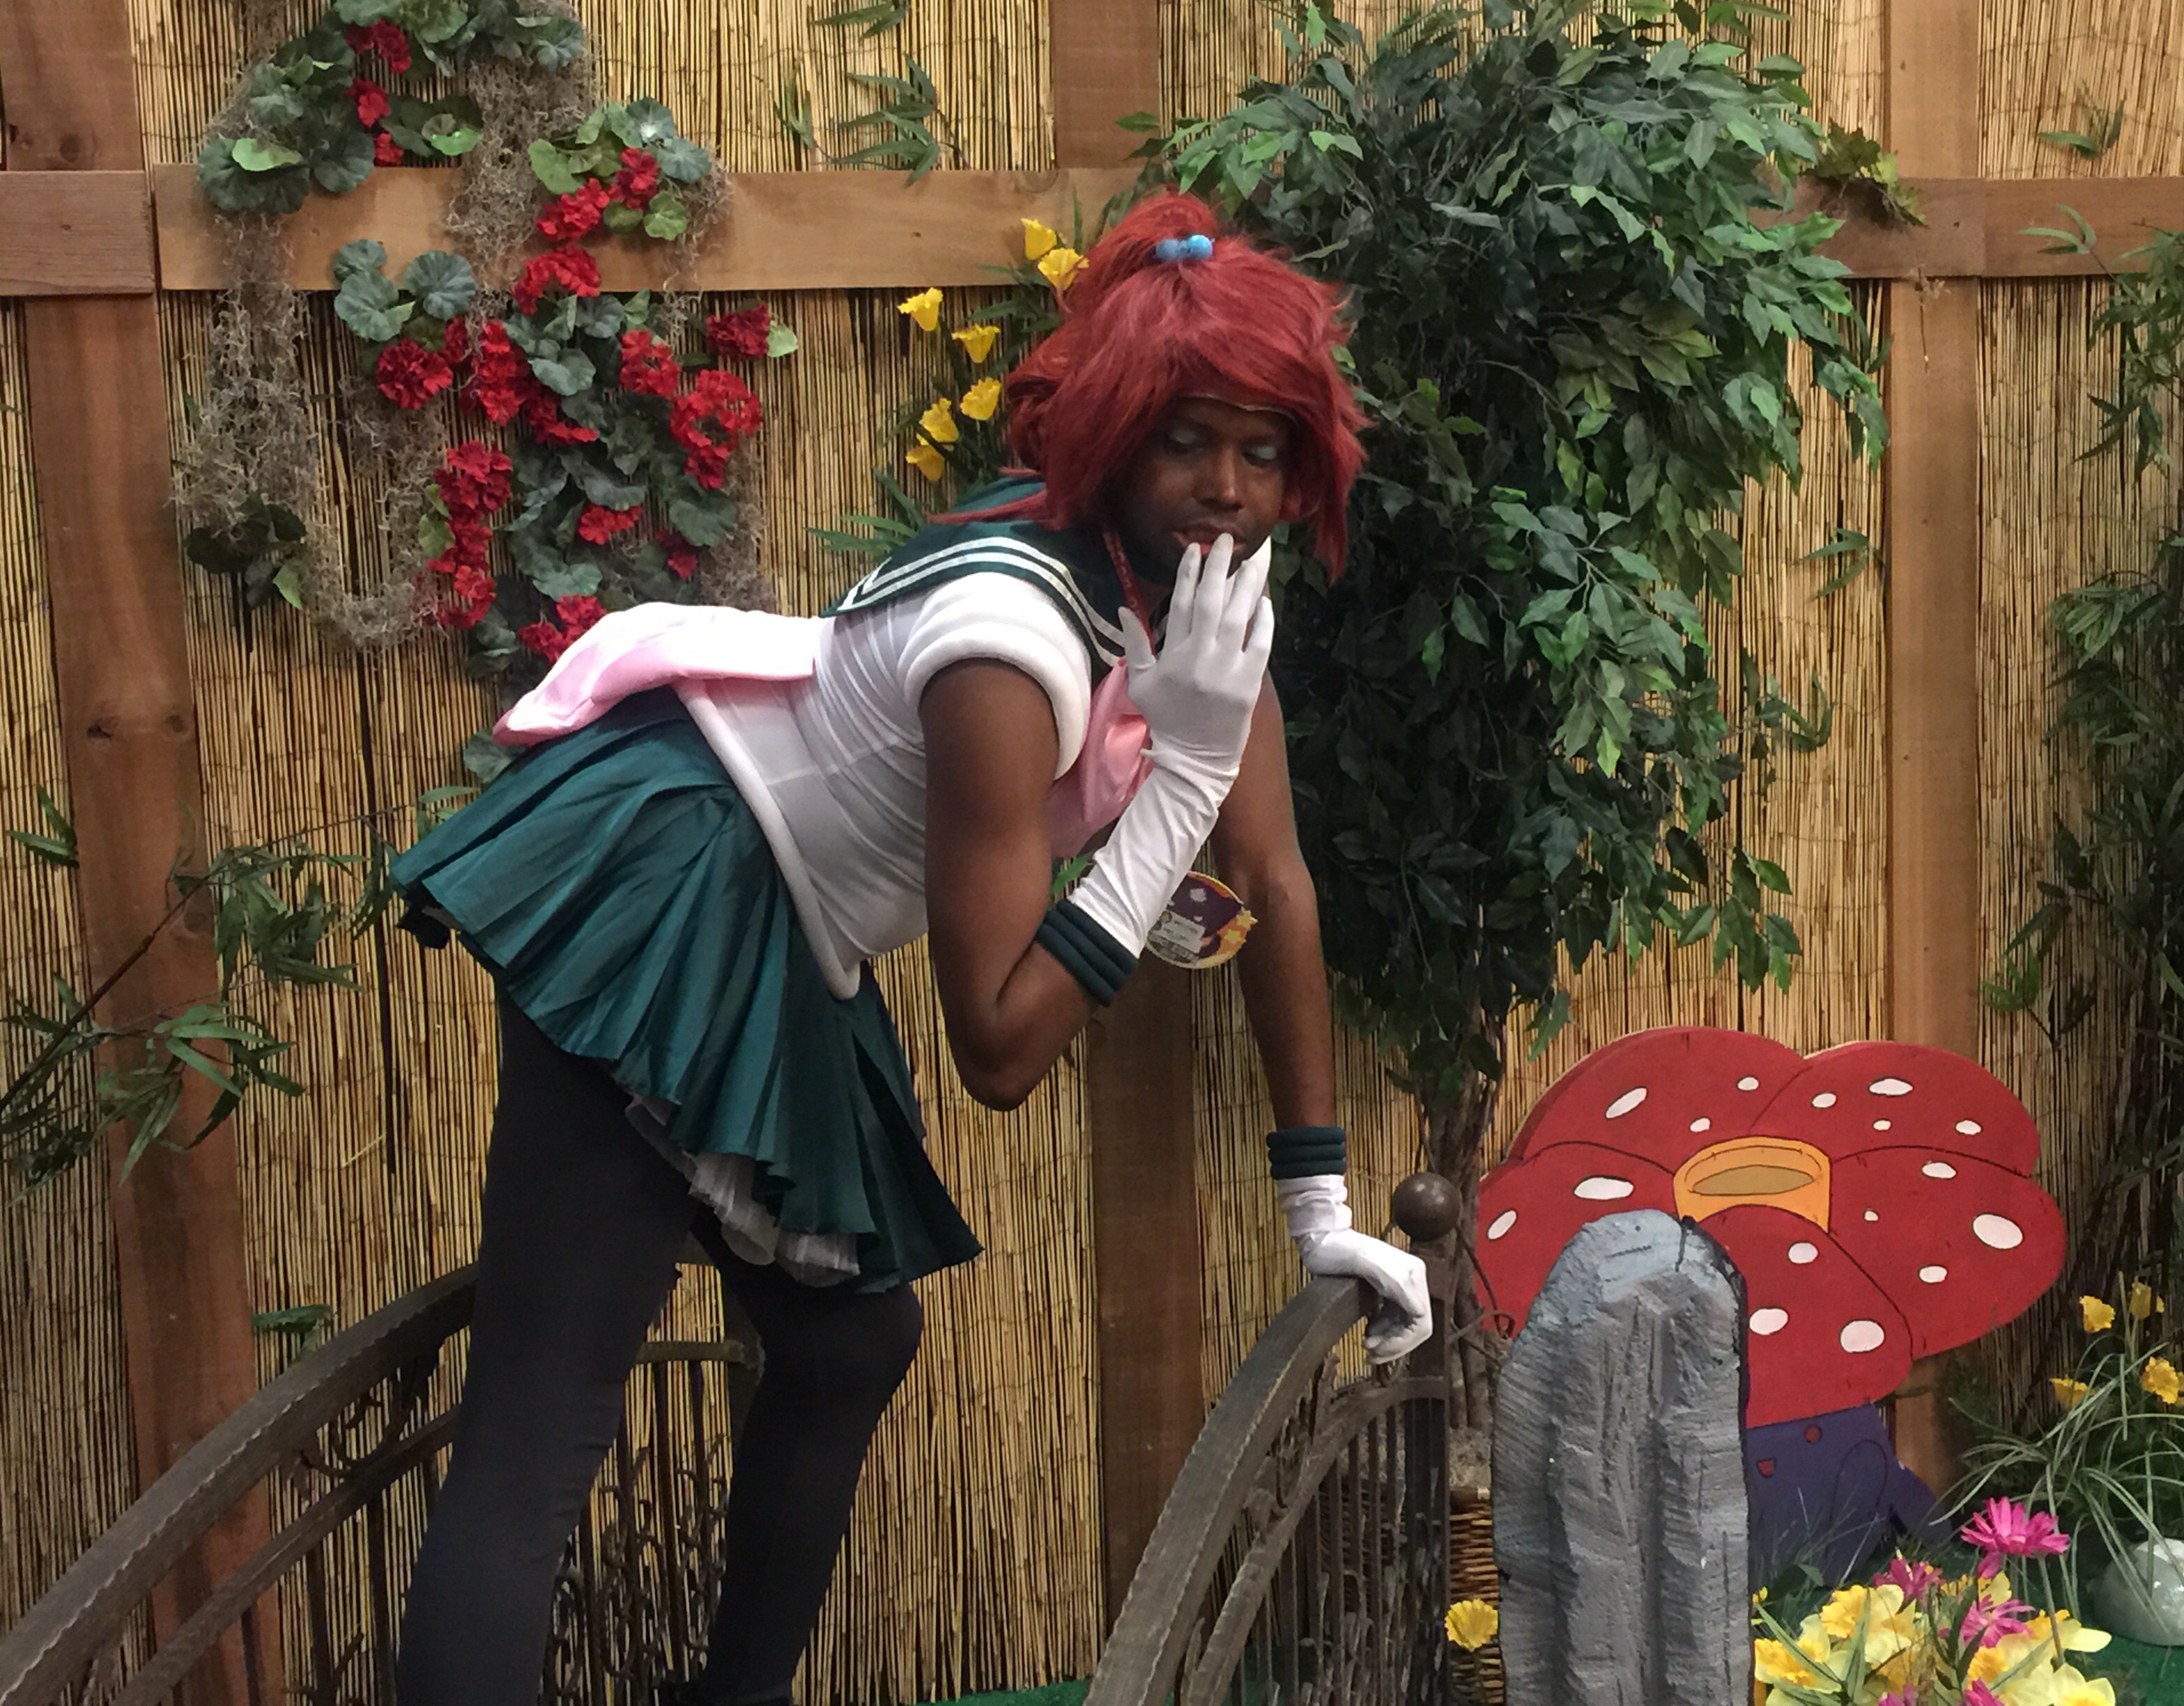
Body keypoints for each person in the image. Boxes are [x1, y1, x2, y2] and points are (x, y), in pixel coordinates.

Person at [387, 189, 1431, 1706]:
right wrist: (1182, 785)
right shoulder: (1011, 644)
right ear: (1115, 438)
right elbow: (999, 1046)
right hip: (669, 886)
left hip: (786, 921)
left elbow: (1272, 876)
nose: (1224, 487)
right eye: (1185, 441)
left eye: (1261, 450)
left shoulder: (1191, 612)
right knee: (543, 1424)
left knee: (850, 1343)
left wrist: (1318, 1205)